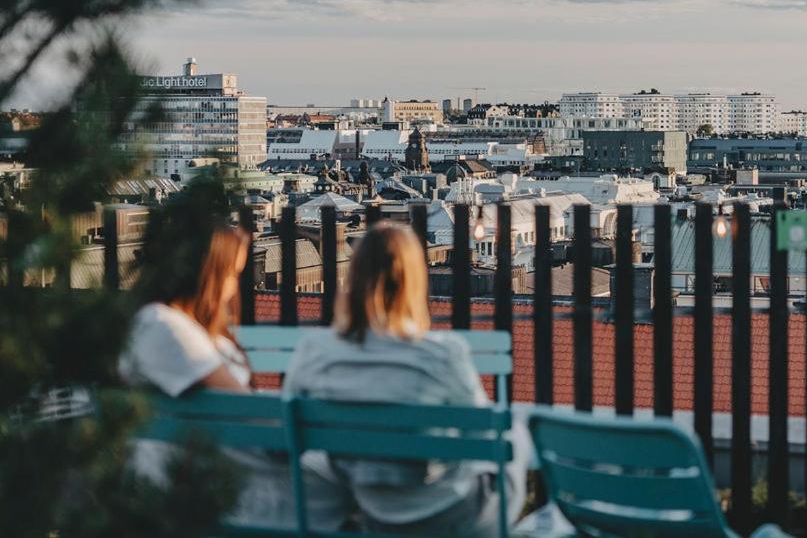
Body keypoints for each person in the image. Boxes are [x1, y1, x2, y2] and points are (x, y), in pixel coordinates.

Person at [120, 184, 347, 531]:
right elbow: (254, 417)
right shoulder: (163, 327)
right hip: (249, 493)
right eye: (229, 275)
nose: (232, 288)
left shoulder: (176, 328)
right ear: (205, 276)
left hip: (231, 477)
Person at [283, 222, 529, 537]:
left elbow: (293, 427)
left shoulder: (314, 350)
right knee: (518, 430)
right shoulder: (442, 353)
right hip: (452, 516)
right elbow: (481, 436)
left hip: (376, 512)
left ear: (354, 277)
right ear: (414, 280)